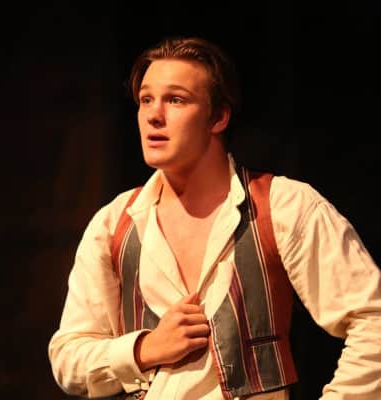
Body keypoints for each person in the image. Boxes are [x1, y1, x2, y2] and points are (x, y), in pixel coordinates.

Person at [48, 36, 381, 400]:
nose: (154, 115)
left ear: (219, 116)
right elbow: (68, 357)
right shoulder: (115, 222)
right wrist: (143, 349)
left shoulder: (283, 206)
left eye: (176, 100)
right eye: (146, 99)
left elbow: (373, 321)